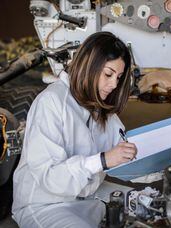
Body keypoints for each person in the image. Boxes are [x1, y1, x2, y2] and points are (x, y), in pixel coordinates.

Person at [12, 31, 137, 228]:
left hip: (88, 196)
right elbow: (49, 177)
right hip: (45, 204)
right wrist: (102, 160)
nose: (114, 84)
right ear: (89, 65)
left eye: (119, 77)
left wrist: (169, 160)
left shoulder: (100, 108)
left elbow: (126, 152)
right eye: (108, 74)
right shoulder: (51, 102)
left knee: (151, 204)